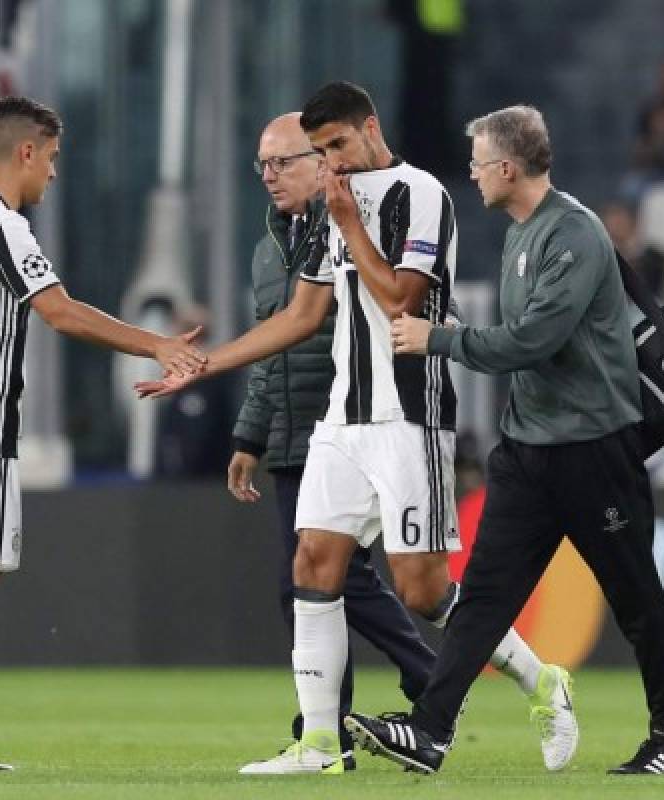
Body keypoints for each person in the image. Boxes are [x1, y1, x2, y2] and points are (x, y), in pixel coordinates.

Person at [138, 82, 576, 775]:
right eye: (322, 151)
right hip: (343, 417)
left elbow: (403, 296)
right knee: (312, 562)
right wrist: (204, 364)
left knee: (423, 591)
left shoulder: (419, 193)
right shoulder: (330, 213)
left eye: (338, 144)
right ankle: (320, 743)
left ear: (370, 128)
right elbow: (302, 315)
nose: (332, 160)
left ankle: (541, 680)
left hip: (410, 414)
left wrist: (347, 222)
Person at [345, 105, 664, 776]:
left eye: (478, 163)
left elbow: (535, 340)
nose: (473, 175)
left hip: (593, 451)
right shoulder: (523, 234)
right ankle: (431, 731)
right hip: (528, 450)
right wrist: (452, 328)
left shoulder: (574, 236)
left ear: (507, 167)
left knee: (637, 601)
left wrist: (438, 339)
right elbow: (526, 339)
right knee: (481, 599)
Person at [0, 95, 206, 771]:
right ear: (26, 152)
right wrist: (155, 345)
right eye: (53, 158)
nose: (55, 175)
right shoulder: (4, 227)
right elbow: (61, 313)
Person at [228, 112, 438, 767]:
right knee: (329, 582)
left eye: (282, 162)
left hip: (350, 426)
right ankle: (354, 715)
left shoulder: (357, 224)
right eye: (261, 165)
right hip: (295, 432)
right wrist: (251, 435)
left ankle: (343, 721)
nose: (270, 176)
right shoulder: (270, 246)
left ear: (321, 164)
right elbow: (274, 348)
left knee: (335, 582)